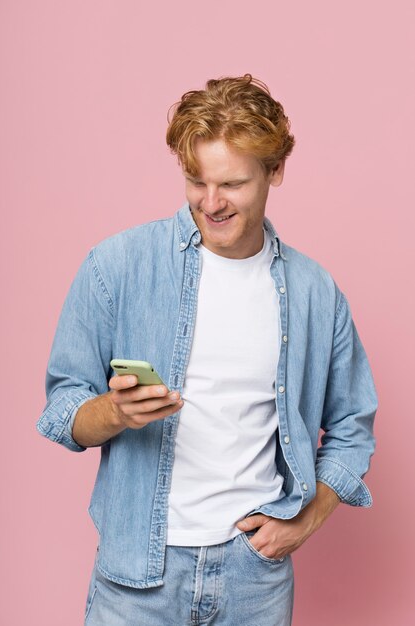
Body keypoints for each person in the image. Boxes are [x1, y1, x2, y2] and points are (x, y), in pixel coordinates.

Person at [37, 74, 377, 626]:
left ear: (276, 171)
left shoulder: (316, 293)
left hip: (255, 577)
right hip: (137, 575)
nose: (211, 203)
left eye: (233, 184)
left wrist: (306, 520)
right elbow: (61, 411)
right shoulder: (116, 266)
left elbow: (352, 426)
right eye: (196, 181)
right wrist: (114, 412)